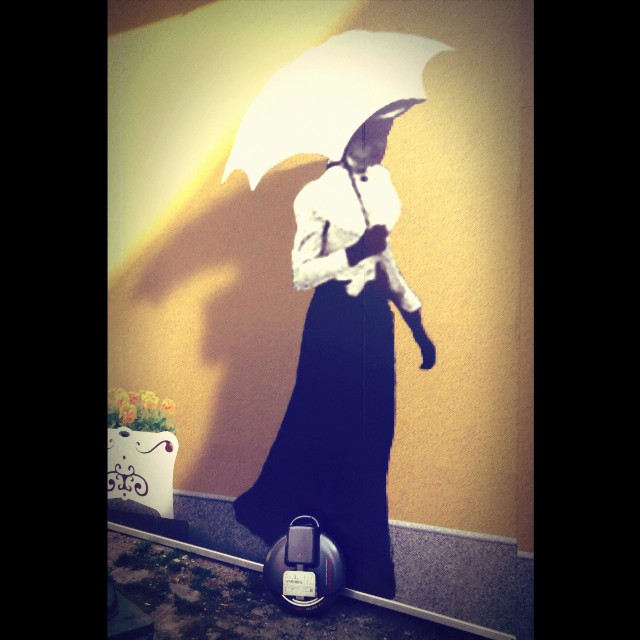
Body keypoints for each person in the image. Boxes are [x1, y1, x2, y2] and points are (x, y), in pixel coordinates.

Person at [233, 102, 436, 599]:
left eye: (387, 132)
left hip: (373, 328)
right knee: (323, 435)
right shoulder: (319, 196)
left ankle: (361, 569)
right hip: (334, 327)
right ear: (350, 136)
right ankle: (318, 555)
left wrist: (417, 325)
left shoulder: (374, 189)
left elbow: (385, 264)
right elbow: (305, 271)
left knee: (371, 445)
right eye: (377, 132)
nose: (384, 143)